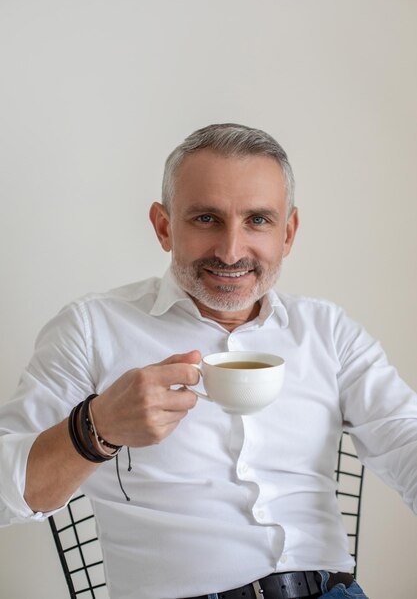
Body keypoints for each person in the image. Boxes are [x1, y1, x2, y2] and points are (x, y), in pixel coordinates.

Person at [1, 123, 417, 599]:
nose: (231, 250)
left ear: (289, 232)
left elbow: (406, 437)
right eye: (205, 219)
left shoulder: (330, 331)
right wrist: (97, 427)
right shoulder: (91, 329)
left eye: (258, 220)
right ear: (163, 226)